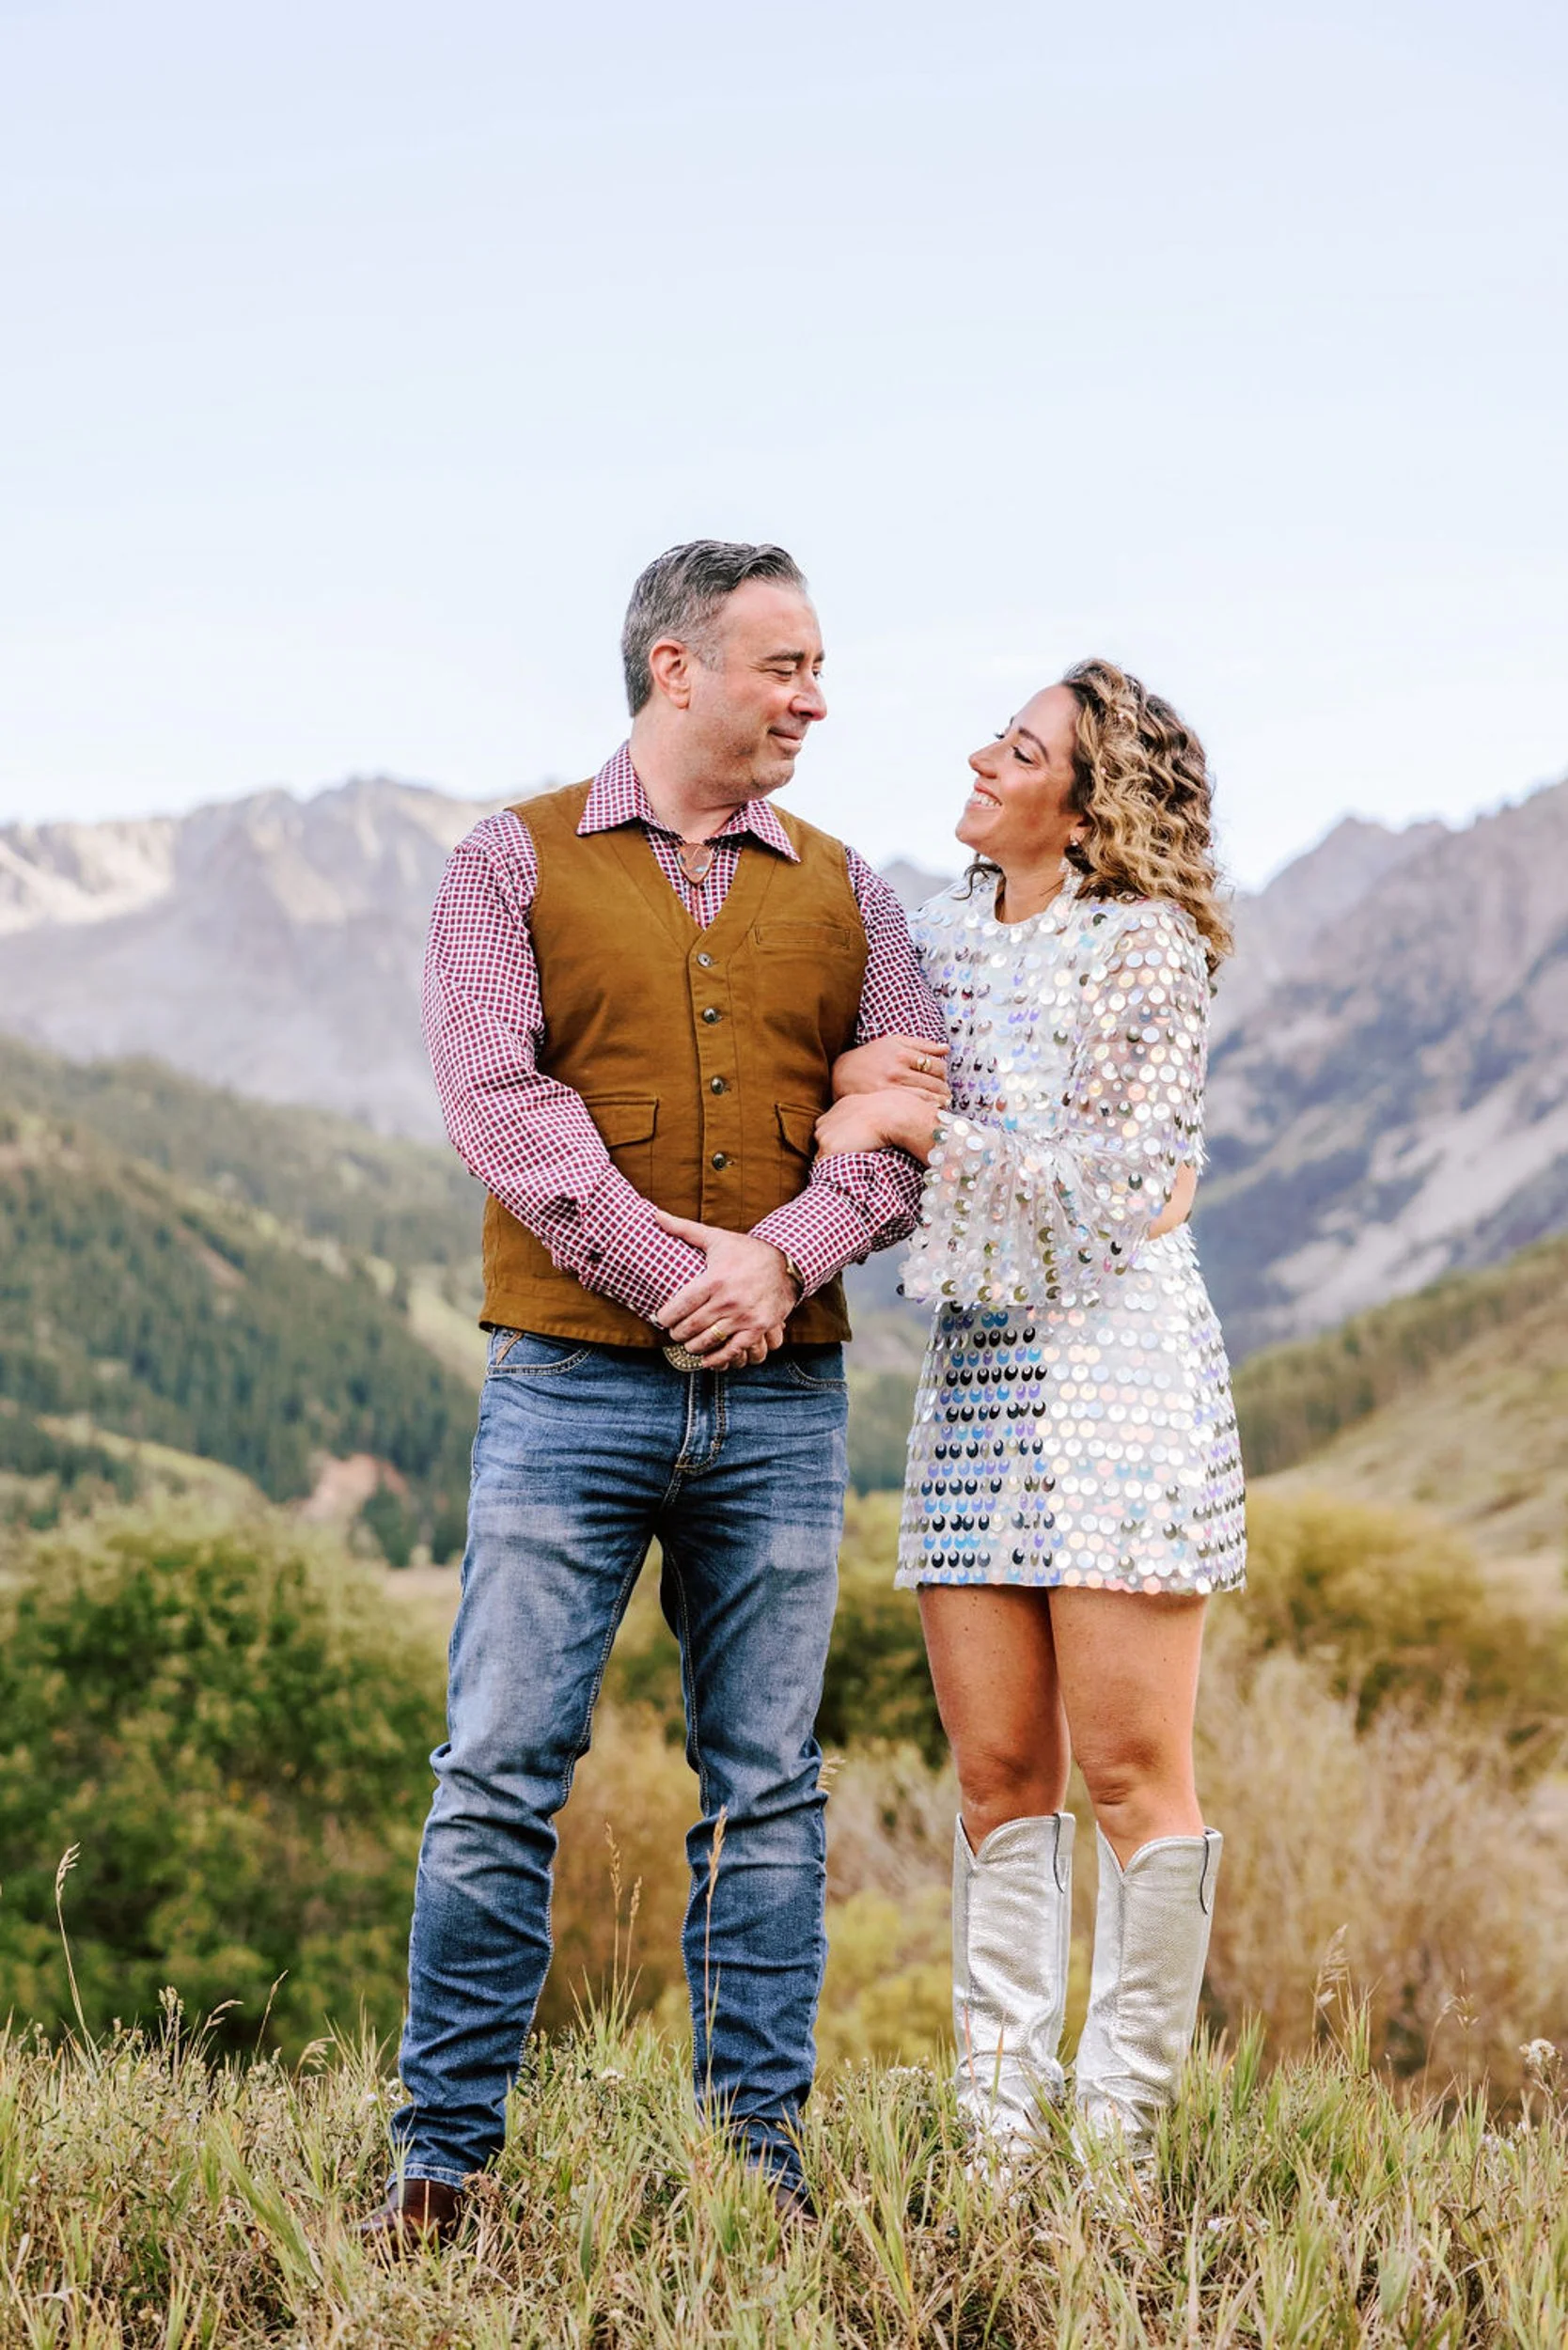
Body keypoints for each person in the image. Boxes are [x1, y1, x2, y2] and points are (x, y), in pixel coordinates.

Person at [360, 541, 946, 2255]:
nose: (815, 698)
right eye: (784, 665)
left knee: (767, 1787)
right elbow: (500, 1104)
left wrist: (784, 1261)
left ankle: (754, 2170)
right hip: (565, 1389)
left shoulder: (857, 894)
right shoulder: (507, 862)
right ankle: (440, 2167)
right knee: (498, 1771)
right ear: (674, 669)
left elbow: (905, 1112)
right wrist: (668, 1268)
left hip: (783, 1407)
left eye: (820, 665)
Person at [815, 658, 1246, 2167]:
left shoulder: (1149, 950)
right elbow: (854, 1084)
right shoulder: (930, 938)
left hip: (1125, 1385)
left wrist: (917, 1117)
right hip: (978, 1383)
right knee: (998, 1776)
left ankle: (1116, 2143)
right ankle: (1002, 2139)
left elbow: (1130, 1190)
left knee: (1133, 1777)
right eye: (996, 739)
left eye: (1019, 748)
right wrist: (868, 1093)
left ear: (1090, 795)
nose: (982, 762)